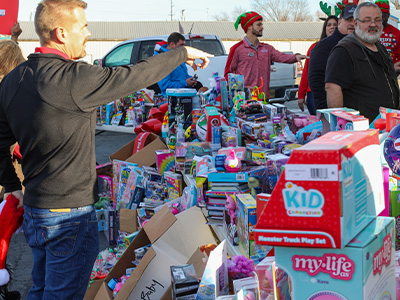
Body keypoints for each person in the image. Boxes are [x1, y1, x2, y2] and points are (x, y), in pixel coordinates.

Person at [0, 0, 212, 299]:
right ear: (61, 33)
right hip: (68, 216)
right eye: (83, 26)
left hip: (37, 211)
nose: (88, 33)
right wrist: (181, 53)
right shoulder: (73, 78)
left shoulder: (13, 80)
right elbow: (131, 75)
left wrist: (12, 185)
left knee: (42, 289)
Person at [325, 2, 400, 122]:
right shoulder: (344, 51)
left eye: (377, 20)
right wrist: (340, 126)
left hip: (386, 128)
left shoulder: (381, 49)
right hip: (361, 131)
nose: (373, 24)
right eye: (367, 20)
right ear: (356, 23)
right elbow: (332, 88)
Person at [224, 11, 307, 100]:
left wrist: (295, 57)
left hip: (263, 99)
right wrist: (237, 96)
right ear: (249, 26)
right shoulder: (237, 49)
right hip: (243, 100)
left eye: (262, 25)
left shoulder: (267, 48)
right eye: (258, 25)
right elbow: (228, 73)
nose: (262, 27)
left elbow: (281, 56)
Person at [308, 2, 357, 110]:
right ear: (340, 22)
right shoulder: (324, 46)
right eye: (348, 20)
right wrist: (326, 110)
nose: (352, 24)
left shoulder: (360, 45)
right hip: (336, 112)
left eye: (356, 20)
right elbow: (316, 79)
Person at [298, 15, 338, 114]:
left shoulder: (344, 47)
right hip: (314, 94)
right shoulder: (315, 47)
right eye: (329, 25)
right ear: (325, 29)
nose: (332, 27)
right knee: (319, 125)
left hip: (336, 92)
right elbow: (306, 72)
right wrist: (301, 95)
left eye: (335, 25)